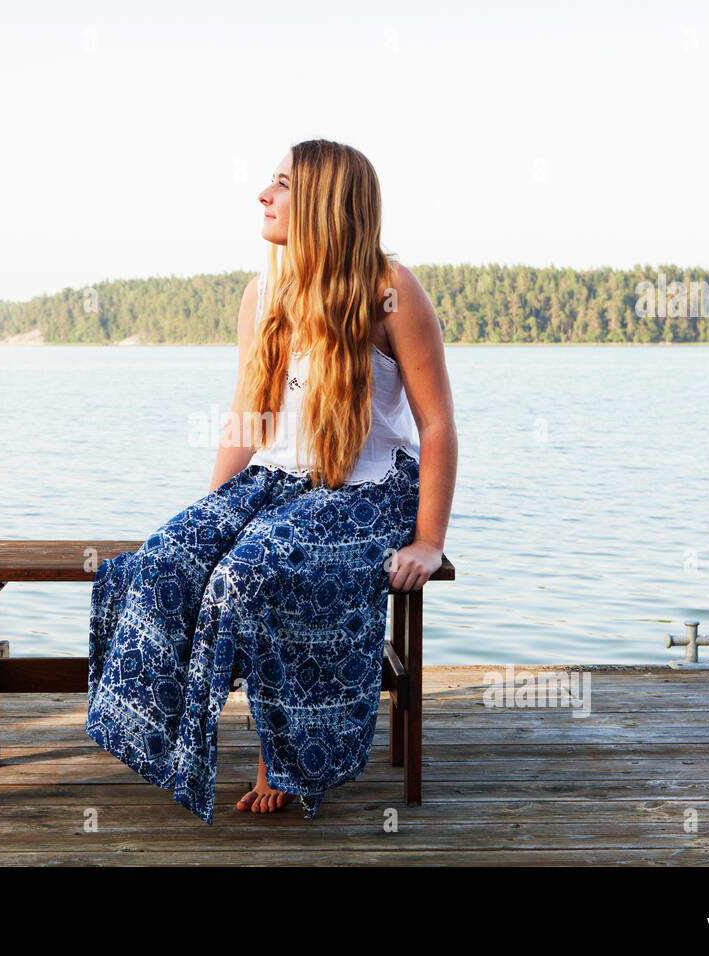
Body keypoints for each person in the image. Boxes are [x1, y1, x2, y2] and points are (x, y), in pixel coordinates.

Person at [86, 138, 458, 824]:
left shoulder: (390, 290)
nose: (264, 195)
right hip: (269, 482)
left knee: (247, 575)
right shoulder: (263, 294)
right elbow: (245, 419)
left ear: (322, 200)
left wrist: (429, 541)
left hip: (364, 492)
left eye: (282, 185)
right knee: (169, 556)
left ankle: (281, 757)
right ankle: (166, 741)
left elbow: (436, 426)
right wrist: (212, 513)